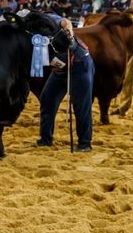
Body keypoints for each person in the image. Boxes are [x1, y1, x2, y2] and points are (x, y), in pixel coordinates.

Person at [36, 16, 94, 152]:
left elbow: (66, 22)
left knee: (81, 105)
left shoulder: (48, 18)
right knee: (47, 98)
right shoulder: (29, 37)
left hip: (79, 64)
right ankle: (45, 139)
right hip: (59, 70)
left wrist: (69, 33)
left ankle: (85, 143)